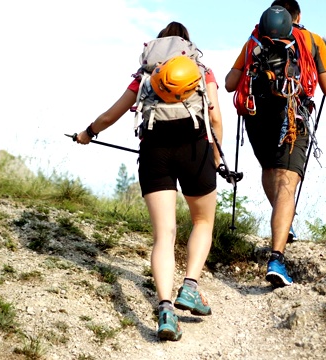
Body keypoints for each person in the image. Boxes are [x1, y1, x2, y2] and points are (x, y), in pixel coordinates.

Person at [75, 21, 223, 341]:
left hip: (155, 153)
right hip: (196, 150)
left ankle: (166, 309)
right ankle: (191, 288)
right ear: (186, 44)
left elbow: (112, 114)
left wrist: (88, 133)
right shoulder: (200, 68)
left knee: (164, 234)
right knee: (202, 220)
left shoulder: (145, 75)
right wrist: (217, 156)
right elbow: (214, 116)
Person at [224, 2, 326, 288]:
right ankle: (276, 258)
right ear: (297, 17)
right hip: (292, 116)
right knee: (287, 182)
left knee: (269, 168)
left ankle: (283, 224)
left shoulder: (254, 40)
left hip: (256, 115)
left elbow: (229, 83)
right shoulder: (312, 40)